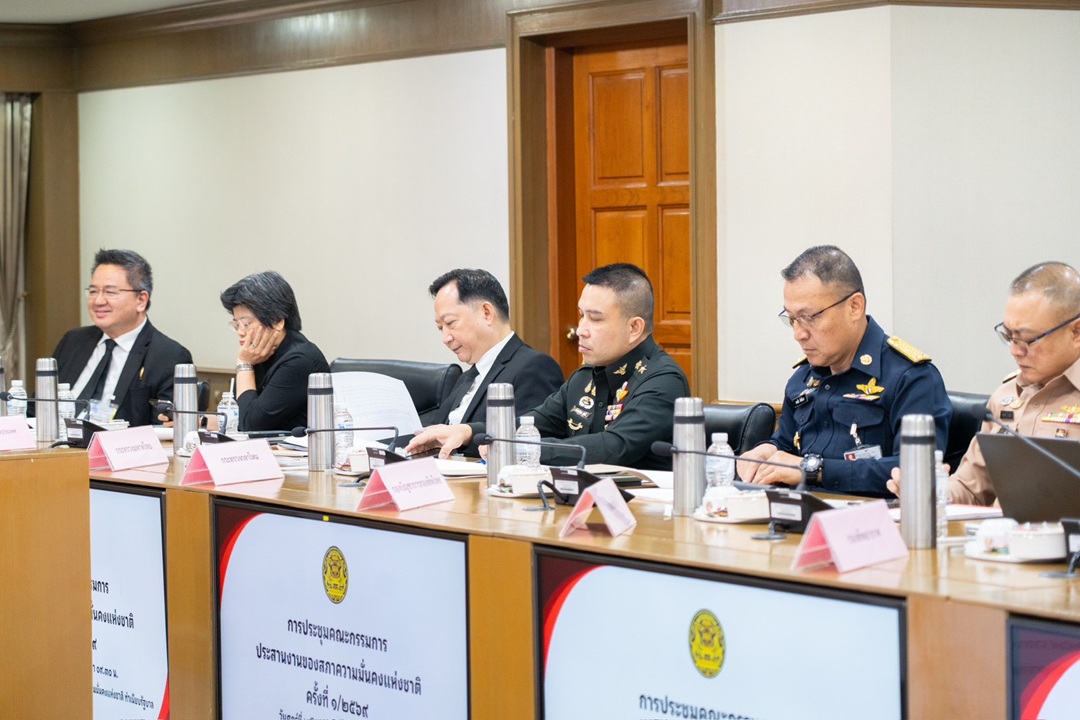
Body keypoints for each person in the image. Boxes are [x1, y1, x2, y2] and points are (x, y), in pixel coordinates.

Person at [406, 263, 689, 470]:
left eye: (595, 319)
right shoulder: (585, 378)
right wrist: (468, 433)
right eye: (581, 316)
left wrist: (520, 450)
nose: (581, 329)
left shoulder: (663, 380)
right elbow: (532, 423)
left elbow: (613, 447)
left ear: (634, 328)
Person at [738, 245, 950, 496]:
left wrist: (814, 470)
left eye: (810, 317)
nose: (798, 334)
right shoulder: (803, 378)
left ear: (854, 307)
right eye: (792, 319)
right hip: (798, 513)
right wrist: (769, 450)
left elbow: (915, 471)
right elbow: (786, 443)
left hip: (873, 517)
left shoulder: (910, 378)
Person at [888, 262, 1080, 505]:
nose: (1014, 350)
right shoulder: (1005, 398)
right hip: (998, 530)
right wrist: (930, 491)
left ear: (1076, 332)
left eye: (1028, 339)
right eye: (1009, 336)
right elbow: (970, 488)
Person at [53, 248, 192, 426]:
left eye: (110, 292)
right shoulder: (73, 342)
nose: (98, 301)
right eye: (93, 291)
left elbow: (165, 428)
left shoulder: (168, 356)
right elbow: (38, 409)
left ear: (141, 300)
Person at [424, 269, 564, 427]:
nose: (446, 338)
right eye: (440, 328)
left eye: (450, 323)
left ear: (487, 313)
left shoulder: (534, 367)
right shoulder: (466, 378)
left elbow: (527, 435)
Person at [220, 271, 329, 432]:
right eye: (236, 325)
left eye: (246, 324)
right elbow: (235, 416)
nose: (240, 332)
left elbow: (250, 426)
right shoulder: (258, 354)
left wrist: (243, 364)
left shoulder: (300, 360)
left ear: (277, 321)